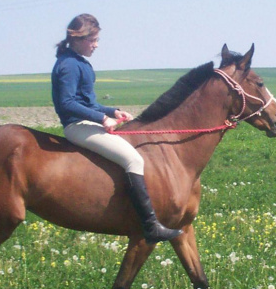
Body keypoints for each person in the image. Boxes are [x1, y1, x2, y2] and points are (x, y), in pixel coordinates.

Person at [51, 13, 182, 244]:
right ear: (80, 38)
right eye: (93, 40)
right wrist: (101, 118)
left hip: (87, 121)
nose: (96, 45)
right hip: (77, 126)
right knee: (134, 160)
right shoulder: (69, 65)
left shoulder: (78, 61)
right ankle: (150, 226)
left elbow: (87, 102)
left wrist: (112, 111)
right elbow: (67, 103)